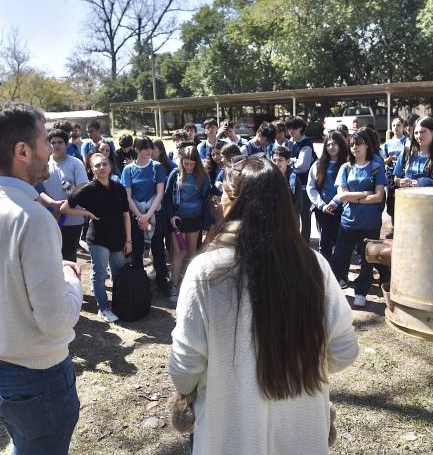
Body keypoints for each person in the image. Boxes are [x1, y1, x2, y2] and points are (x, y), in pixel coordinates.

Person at [169, 156, 358, 454]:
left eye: (224, 197)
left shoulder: (206, 271)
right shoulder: (314, 265)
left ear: (235, 202)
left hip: (229, 435)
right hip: (302, 432)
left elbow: (185, 367)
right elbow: (344, 350)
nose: (219, 204)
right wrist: (301, 368)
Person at [0, 102, 82, 453]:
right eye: (44, 143)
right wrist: (71, 281)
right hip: (35, 376)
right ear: (22, 150)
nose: (50, 154)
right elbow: (55, 322)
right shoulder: (33, 218)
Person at [61, 152, 131, 323]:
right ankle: (103, 308)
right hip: (98, 238)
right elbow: (65, 208)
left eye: (104, 164)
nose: (101, 168)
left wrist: (128, 239)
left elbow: (126, 214)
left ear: (110, 166)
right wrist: (85, 212)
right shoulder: (87, 189)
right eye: (97, 166)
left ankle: (119, 305)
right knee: (99, 274)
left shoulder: (119, 188)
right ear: (91, 169)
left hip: (118, 237)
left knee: (119, 274)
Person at [330, 131, 389, 307]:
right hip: (348, 221)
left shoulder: (376, 167)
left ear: (367, 146)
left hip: (370, 223)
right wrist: (364, 194)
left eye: (359, 143)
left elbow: (379, 196)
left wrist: (352, 196)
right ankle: (334, 289)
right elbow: (341, 196)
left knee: (367, 259)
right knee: (339, 257)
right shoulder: (345, 168)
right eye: (353, 144)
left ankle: (361, 291)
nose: (355, 147)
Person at [122, 136, 170, 289]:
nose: (149, 150)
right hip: (136, 215)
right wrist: (140, 216)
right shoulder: (128, 170)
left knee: (157, 248)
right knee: (137, 249)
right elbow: (127, 196)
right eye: (144, 147)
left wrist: (147, 216)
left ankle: (162, 280)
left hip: (154, 214)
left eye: (150, 147)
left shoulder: (157, 167)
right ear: (136, 149)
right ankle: (139, 282)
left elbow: (160, 193)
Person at [165, 146, 211, 303]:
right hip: (178, 220)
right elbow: (166, 198)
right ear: (181, 161)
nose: (189, 167)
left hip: (194, 219)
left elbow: (206, 197)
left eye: (192, 164)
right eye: (186, 163)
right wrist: (171, 216)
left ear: (197, 163)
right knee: (179, 253)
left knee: (192, 252)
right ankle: (175, 285)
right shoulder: (175, 174)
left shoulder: (203, 177)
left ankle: (192, 285)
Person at [38, 129, 90, 262]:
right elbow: (37, 189)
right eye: (53, 142)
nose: (56, 145)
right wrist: (52, 204)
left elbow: (83, 189)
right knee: (50, 259)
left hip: (72, 219)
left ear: (66, 144)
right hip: (47, 218)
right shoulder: (42, 164)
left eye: (60, 142)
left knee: (69, 259)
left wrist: (67, 202)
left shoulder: (76, 163)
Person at [307, 131, 349, 261]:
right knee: (325, 243)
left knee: (341, 244)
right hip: (323, 210)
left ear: (341, 145)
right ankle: (325, 273)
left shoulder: (348, 164)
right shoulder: (318, 165)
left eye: (334, 144)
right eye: (328, 144)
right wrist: (322, 205)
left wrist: (336, 202)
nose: (331, 147)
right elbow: (311, 187)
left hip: (343, 209)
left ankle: (340, 275)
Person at [288, 116, 317, 242]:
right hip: (293, 185)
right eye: (289, 128)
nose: (291, 131)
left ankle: (305, 242)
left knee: (305, 215)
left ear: (300, 128)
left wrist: (290, 163)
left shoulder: (306, 144)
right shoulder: (291, 142)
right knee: (292, 215)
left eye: (294, 128)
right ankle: (295, 241)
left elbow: (302, 167)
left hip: (305, 186)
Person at [381, 118, 408, 227]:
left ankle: (404, 225)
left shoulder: (408, 141)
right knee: (392, 199)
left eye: (398, 125)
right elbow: (384, 161)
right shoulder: (388, 144)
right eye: (394, 125)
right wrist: (390, 159)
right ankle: (394, 228)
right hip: (391, 174)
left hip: (404, 174)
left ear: (403, 127)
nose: (396, 128)